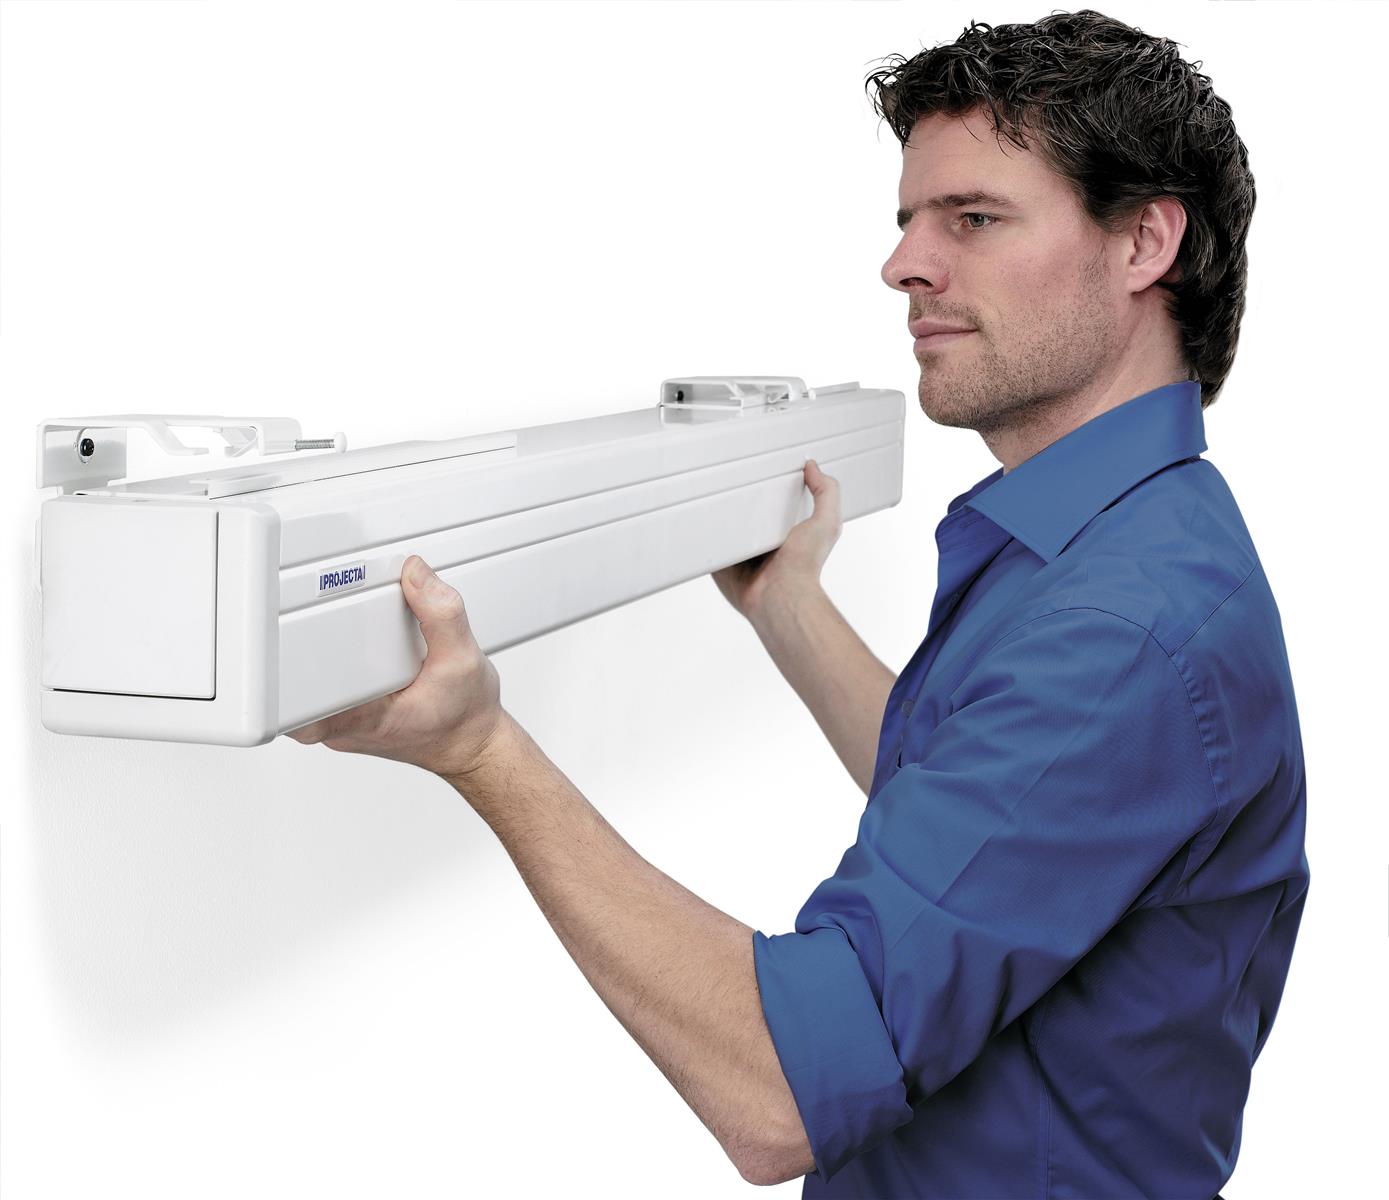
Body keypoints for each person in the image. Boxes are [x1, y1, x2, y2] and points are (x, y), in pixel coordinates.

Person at [289, 9, 1309, 1197]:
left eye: (973, 219)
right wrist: (790, 606)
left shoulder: (1123, 630)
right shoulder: (1124, 540)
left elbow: (779, 1091)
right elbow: (990, 806)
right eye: (909, 221)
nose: (905, 264)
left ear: (1144, 243)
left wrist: (481, 749)